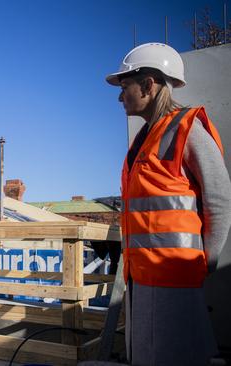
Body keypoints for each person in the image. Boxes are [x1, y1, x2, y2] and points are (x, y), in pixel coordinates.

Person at [106, 42, 231, 365]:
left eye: (125, 87)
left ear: (148, 85)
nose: (120, 97)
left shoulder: (188, 130)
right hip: (142, 278)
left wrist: (205, 264)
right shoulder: (143, 140)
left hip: (176, 281)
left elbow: (218, 201)